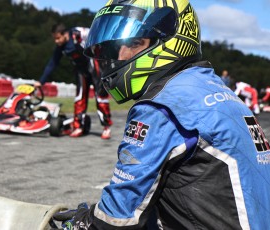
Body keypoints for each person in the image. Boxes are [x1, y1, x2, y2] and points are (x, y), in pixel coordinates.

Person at [52, 0, 270, 229]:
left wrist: (84, 221)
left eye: (135, 43)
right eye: (118, 46)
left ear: (170, 40)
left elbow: (116, 217)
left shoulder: (160, 107)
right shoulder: (216, 89)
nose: (122, 54)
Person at [35, 24, 113, 139]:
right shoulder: (60, 47)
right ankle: (78, 126)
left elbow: (98, 35)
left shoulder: (78, 33)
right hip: (81, 70)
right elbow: (52, 63)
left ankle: (106, 127)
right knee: (79, 98)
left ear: (65, 34)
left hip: (94, 64)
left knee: (100, 97)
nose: (56, 41)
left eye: (58, 38)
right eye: (54, 39)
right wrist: (41, 81)